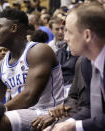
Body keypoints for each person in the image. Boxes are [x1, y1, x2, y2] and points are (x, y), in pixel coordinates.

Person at [0, 8, 64, 131]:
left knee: (0, 120)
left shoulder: (39, 51)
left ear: (13, 28)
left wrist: (0, 110)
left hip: (48, 112)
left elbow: (30, 97)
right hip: (20, 113)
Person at [44, 2, 105, 131]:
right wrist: (67, 124)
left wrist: (76, 126)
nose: (65, 38)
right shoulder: (86, 63)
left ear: (87, 35)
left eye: (69, 32)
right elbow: (91, 108)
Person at [31, 56, 92, 130]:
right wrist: (61, 112)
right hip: (80, 113)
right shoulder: (82, 61)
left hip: (91, 119)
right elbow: (73, 96)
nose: (67, 43)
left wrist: (71, 123)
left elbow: (91, 107)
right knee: (37, 126)